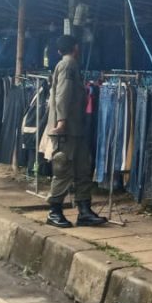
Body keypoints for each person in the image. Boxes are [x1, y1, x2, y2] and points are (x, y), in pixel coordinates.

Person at [46, 34, 107, 229]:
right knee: (63, 168)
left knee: (83, 169)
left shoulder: (68, 64)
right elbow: (62, 94)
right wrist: (62, 121)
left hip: (76, 128)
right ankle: (54, 211)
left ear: (59, 50)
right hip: (67, 129)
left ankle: (84, 211)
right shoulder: (68, 65)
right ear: (76, 48)